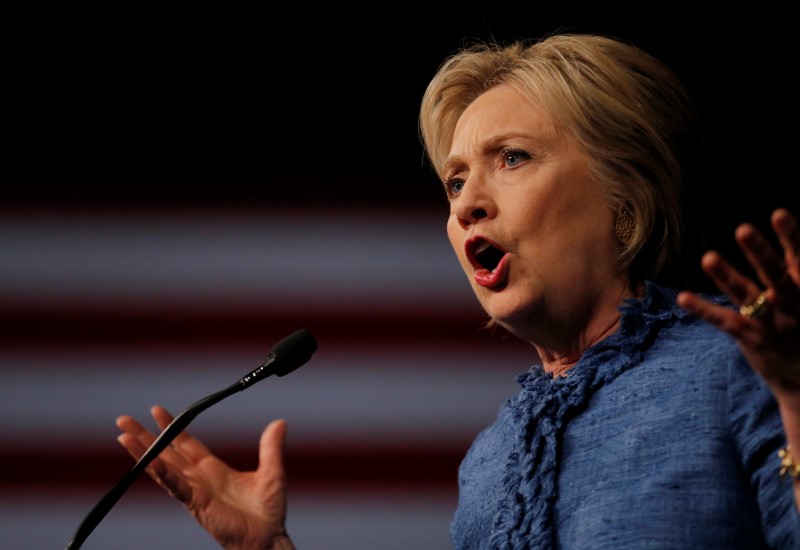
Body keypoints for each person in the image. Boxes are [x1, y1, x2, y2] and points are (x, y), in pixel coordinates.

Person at [115, 32, 800, 549]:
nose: (468, 201)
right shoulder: (491, 458)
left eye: (511, 158)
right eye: (454, 181)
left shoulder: (739, 370)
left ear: (625, 196)